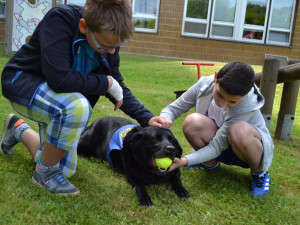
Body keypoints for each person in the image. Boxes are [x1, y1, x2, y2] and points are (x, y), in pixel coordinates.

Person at [0, 0, 164, 195]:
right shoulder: (60, 19)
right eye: (105, 46)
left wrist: (146, 117)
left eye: (117, 46)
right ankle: (44, 175)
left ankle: (18, 130)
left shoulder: (109, 37)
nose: (111, 51)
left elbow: (115, 83)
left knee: (64, 169)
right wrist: (106, 83)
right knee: (78, 107)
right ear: (84, 26)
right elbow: (59, 79)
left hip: (59, 100)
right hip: (22, 83)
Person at [152, 62, 274, 197]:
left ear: (245, 95)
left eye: (232, 102)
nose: (222, 103)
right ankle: (209, 164)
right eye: (220, 94)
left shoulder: (248, 104)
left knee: (239, 130)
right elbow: (174, 108)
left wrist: (184, 161)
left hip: (246, 151)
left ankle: (259, 173)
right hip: (218, 145)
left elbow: (216, 147)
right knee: (192, 121)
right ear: (215, 78)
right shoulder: (205, 84)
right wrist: (165, 119)